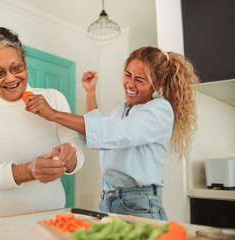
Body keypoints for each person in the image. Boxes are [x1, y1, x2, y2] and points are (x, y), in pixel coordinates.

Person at [25, 46, 199, 220]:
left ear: (159, 84)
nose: (130, 84)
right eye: (128, 74)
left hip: (140, 204)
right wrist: (90, 92)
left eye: (139, 79)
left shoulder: (160, 111)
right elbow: (98, 132)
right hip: (109, 200)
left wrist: (53, 114)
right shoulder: (120, 110)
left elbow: (114, 132)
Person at [0, 27, 84, 218]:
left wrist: (71, 158)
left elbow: (77, 153)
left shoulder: (54, 98)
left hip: (52, 217)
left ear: (24, 61)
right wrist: (28, 171)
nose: (10, 78)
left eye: (16, 67)